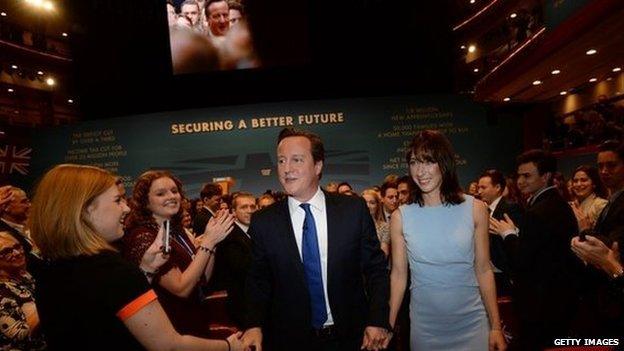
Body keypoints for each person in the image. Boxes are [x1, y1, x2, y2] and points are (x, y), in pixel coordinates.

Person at [29, 164, 244, 350]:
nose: (125, 208)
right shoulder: (113, 268)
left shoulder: (49, 270)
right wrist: (228, 346)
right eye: (117, 200)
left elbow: (102, 317)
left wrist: (147, 272)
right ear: (84, 210)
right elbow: (168, 345)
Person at [242, 128, 390, 351]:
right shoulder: (264, 222)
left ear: (318, 166)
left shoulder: (352, 210)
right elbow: (257, 280)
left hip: (352, 337)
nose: (287, 169)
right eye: (281, 161)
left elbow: (376, 269)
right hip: (289, 340)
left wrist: (377, 319)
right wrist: (253, 325)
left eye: (297, 160)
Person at [388, 130, 506, 351]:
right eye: (414, 162)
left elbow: (483, 270)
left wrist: (496, 327)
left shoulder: (475, 209)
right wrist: (388, 324)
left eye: (429, 161)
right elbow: (398, 275)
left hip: (472, 324)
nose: (420, 171)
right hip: (425, 328)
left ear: (444, 163)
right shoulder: (401, 216)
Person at [123, 170, 235, 338]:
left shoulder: (176, 231)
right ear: (145, 202)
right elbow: (181, 288)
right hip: (172, 328)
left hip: (196, 319)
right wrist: (208, 242)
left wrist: (214, 242)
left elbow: (202, 278)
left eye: (174, 191)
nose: (171, 196)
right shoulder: (143, 236)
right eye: (161, 193)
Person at [490, 150, 582, 349]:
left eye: (527, 175)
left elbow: (522, 260)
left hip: (543, 304)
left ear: (546, 176)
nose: (520, 181)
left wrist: (508, 234)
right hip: (555, 300)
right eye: (519, 176)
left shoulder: (540, 210)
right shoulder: (552, 204)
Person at [571, 140, 624, 338]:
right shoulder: (613, 199)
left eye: (611, 165)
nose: (604, 171)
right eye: (600, 166)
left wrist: (586, 230)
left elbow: (613, 245)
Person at [213, 192, 256, 327]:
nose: (249, 211)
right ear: (233, 212)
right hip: (241, 303)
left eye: (252, 207)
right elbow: (242, 269)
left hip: (255, 300)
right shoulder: (230, 235)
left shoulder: (256, 230)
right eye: (244, 207)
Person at [477, 169, 523, 296]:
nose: (479, 191)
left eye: (483, 187)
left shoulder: (510, 208)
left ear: (497, 187)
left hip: (504, 275)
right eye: (478, 187)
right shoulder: (483, 210)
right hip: (489, 273)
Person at [0, 231, 46, 350]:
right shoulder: (2, 290)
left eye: (17, 246)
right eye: (6, 252)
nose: (17, 253)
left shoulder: (25, 276)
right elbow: (20, 335)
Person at [569, 165, 608, 231]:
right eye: (575, 181)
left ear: (594, 184)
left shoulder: (601, 204)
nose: (578, 184)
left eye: (584, 180)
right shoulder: (571, 205)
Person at [361, 188, 390, 257]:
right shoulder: (353, 226)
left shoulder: (384, 227)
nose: (368, 206)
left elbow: (384, 254)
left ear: (377, 206)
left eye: (372, 203)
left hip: (375, 265)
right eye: (364, 202)